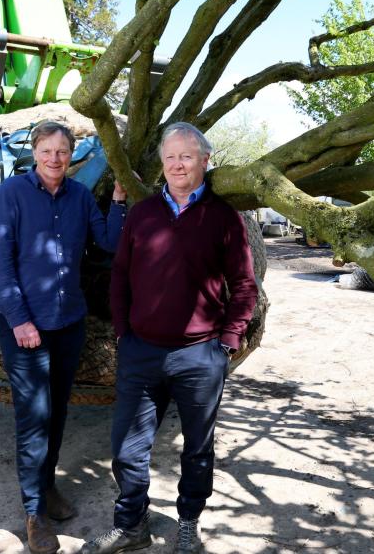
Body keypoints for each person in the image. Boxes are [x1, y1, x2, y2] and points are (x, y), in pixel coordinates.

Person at [86, 122, 258, 554]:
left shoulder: (224, 218)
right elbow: (121, 275)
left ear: (205, 160)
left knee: (197, 449)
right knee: (127, 449)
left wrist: (228, 340)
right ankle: (131, 526)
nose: (177, 164)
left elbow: (244, 285)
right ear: (161, 164)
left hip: (200, 355)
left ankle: (188, 523)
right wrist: (124, 332)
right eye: (170, 157)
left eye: (186, 156)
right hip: (141, 352)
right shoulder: (143, 213)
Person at [0, 121, 129, 554]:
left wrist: (120, 202)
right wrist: (19, 320)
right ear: (35, 152)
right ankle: (34, 514)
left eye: (62, 151)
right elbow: (0, 260)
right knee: (33, 420)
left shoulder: (81, 197)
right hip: (25, 327)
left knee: (57, 414)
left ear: (72, 156)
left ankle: (46, 489)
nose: (54, 158)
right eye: (47, 151)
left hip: (68, 324)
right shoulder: (12, 194)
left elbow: (108, 242)